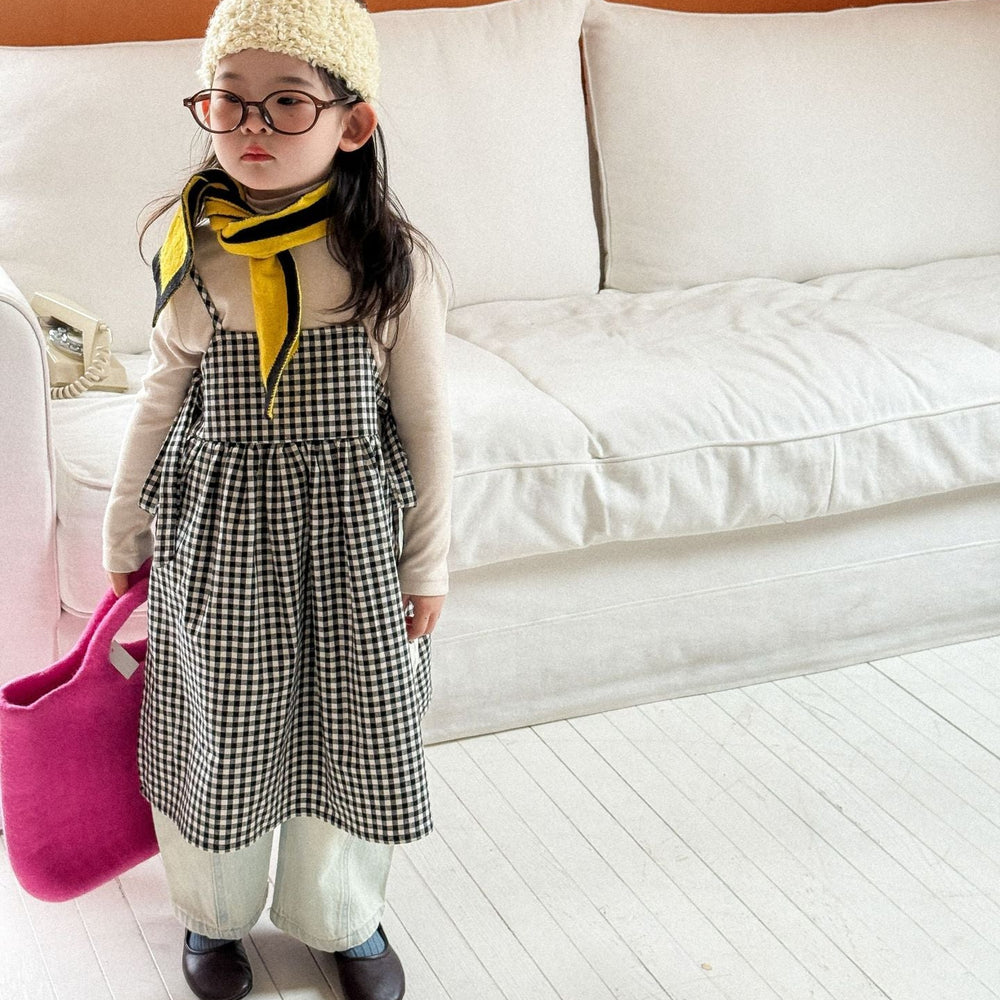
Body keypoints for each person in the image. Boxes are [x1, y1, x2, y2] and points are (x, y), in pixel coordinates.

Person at [102, 1, 452, 997]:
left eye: (288, 103)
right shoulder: (199, 251)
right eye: (230, 101)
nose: (251, 126)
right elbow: (160, 394)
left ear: (353, 123)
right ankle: (212, 912)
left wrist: (426, 560)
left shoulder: (389, 263)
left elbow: (427, 420)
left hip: (352, 538)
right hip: (223, 535)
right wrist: (125, 520)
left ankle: (342, 915)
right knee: (218, 722)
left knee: (353, 721)